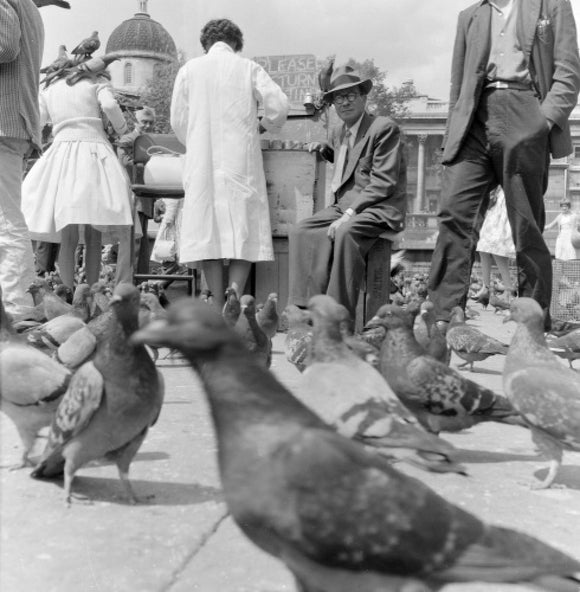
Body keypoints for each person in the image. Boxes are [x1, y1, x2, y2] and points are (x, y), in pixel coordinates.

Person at [427, 0, 580, 332]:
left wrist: (544, 122)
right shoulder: (469, 16)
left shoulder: (550, 5)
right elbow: (458, 85)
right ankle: (442, 315)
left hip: (525, 109)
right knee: (453, 212)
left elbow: (568, 70)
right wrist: (452, 134)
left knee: (526, 224)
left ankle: (534, 319)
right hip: (473, 119)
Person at [170, 18, 289, 308]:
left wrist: (197, 140)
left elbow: (178, 120)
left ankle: (215, 297)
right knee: (243, 227)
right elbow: (280, 106)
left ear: (205, 44)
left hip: (203, 161)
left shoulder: (189, 70)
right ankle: (234, 298)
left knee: (207, 228)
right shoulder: (248, 68)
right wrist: (263, 126)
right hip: (241, 160)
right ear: (236, 43)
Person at [287, 64, 407, 320]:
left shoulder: (384, 128)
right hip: (344, 205)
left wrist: (349, 213)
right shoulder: (338, 132)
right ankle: (305, 306)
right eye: (338, 98)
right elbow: (348, 160)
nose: (344, 102)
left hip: (379, 207)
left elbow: (383, 181)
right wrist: (323, 148)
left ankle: (337, 314)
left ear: (364, 97)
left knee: (345, 232)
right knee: (300, 230)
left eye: (351, 95)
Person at [21, 57, 134, 290]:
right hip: (94, 154)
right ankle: (91, 294)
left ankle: (69, 293)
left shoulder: (51, 89)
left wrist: (36, 142)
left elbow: (37, 120)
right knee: (94, 235)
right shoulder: (96, 82)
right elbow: (111, 107)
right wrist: (123, 129)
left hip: (62, 156)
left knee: (68, 235)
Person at [0, 0, 44, 315]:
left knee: (6, 219)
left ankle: (17, 306)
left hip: (3, 121)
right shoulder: (29, 6)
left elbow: (4, 47)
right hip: (14, 121)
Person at [115, 106, 156, 280]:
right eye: (144, 122)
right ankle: (127, 282)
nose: (147, 125)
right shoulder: (129, 139)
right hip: (134, 197)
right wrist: (148, 168)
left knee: (142, 245)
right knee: (133, 244)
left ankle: (140, 282)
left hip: (145, 198)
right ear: (135, 122)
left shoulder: (149, 141)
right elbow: (124, 162)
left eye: (151, 122)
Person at [475, 186, 516, 301]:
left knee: (498, 250)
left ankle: (508, 289)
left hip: (506, 210)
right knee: (483, 248)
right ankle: (486, 286)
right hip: (494, 211)